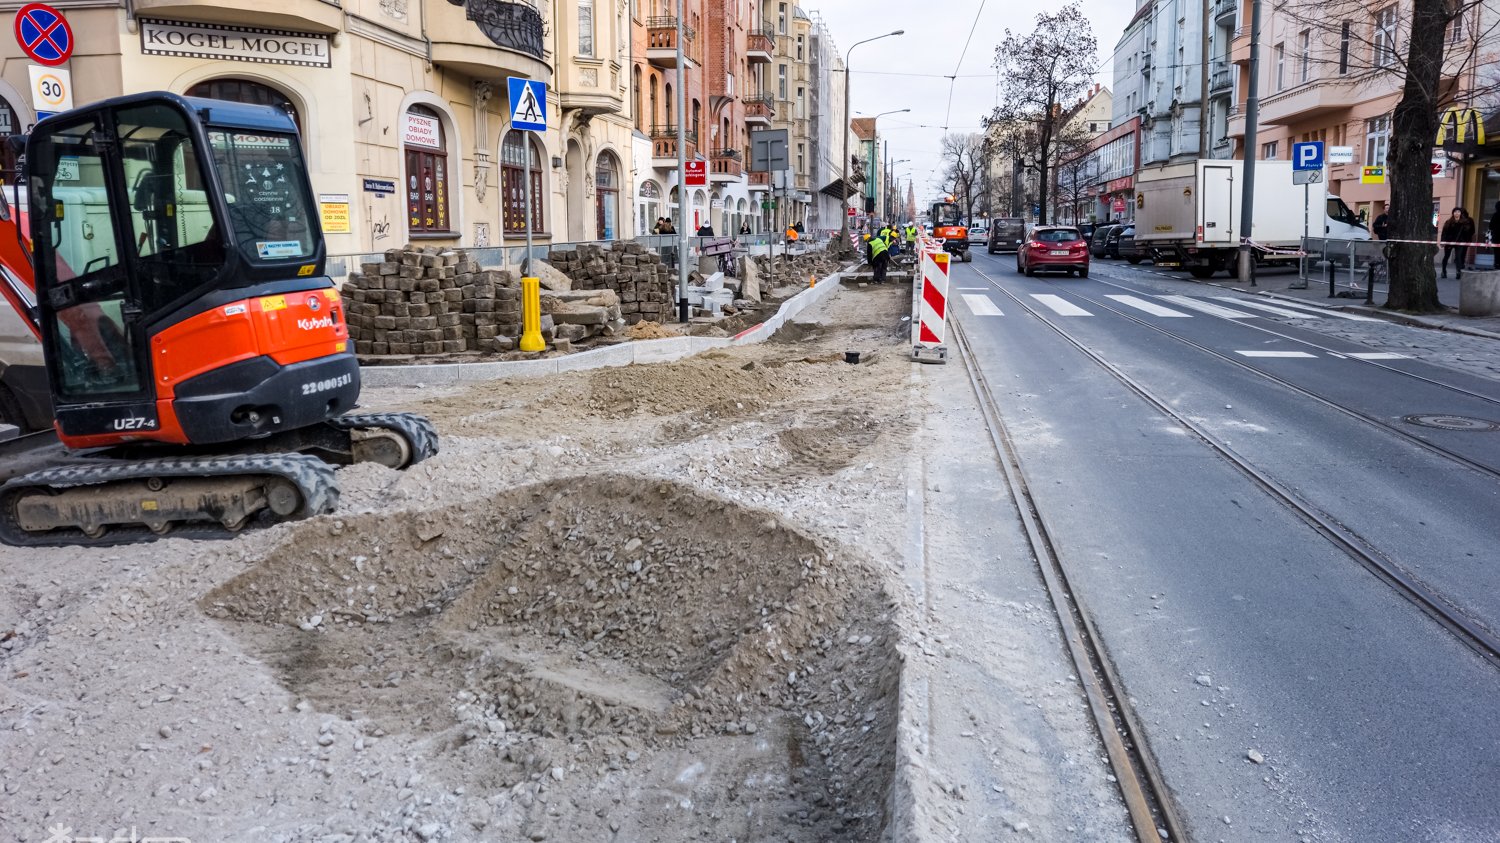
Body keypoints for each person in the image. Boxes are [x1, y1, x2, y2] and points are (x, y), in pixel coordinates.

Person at [1440, 207, 1473, 279]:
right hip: (1449, 241)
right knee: (1446, 256)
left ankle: (1458, 272)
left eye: (1458, 212)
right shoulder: (1448, 222)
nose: (1457, 213)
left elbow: (1468, 233)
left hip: (1459, 242)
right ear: (1453, 213)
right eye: (1455, 212)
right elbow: (1444, 232)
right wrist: (1443, 241)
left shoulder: (1464, 222)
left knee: (1458, 257)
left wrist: (1467, 241)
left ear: (1461, 213)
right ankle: (1443, 271)